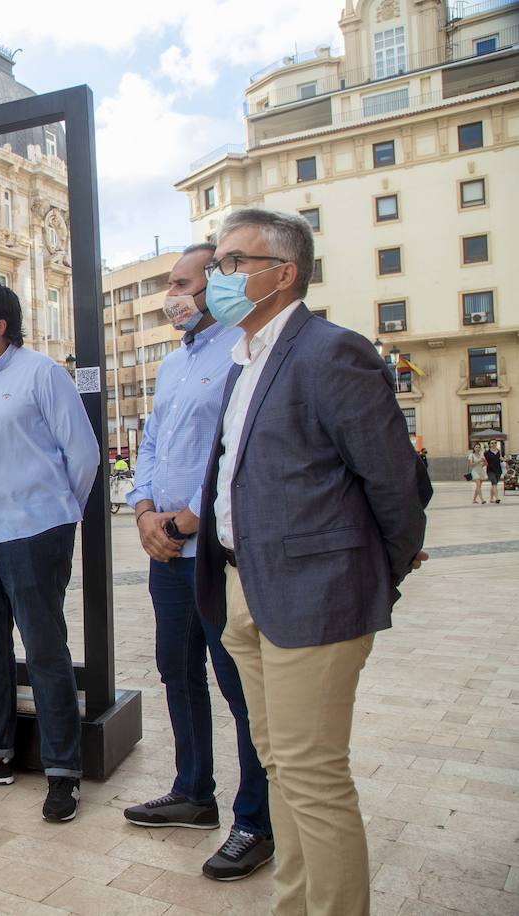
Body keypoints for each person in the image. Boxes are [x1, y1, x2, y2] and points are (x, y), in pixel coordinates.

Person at [194, 209, 430, 915]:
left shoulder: (332, 352)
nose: (218, 277)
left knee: (314, 776)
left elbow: (396, 485)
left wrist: (366, 576)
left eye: (234, 263)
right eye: (217, 264)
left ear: (283, 273)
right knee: (282, 769)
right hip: (245, 591)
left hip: (315, 599)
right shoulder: (246, 360)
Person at [123, 242, 274, 881]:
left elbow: (237, 453)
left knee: (238, 686)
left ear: (216, 283)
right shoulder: (174, 364)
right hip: (168, 550)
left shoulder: (243, 352)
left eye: (182, 282)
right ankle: (192, 791)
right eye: (169, 283)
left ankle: (255, 822)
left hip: (215, 550)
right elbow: (153, 440)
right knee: (177, 672)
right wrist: (144, 507)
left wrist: (185, 520)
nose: (172, 295)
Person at [0, 281, 100, 823]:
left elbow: (83, 455)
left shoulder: (43, 374)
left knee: (45, 653)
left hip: (33, 533)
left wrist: (55, 516)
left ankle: (63, 772)